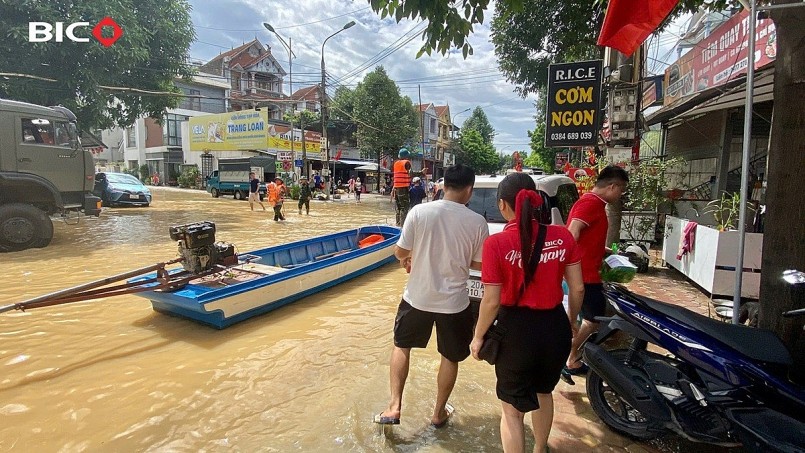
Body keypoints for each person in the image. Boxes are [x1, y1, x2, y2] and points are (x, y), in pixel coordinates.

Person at [470, 172, 584, 453]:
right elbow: (578, 289)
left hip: (516, 333)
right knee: (544, 392)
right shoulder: (563, 236)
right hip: (554, 327)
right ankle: (540, 448)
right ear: (534, 202)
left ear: (502, 205)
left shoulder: (496, 244)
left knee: (511, 411)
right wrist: (570, 323)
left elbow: (491, 301)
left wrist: (477, 337)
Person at [374, 164, 489, 428]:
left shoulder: (419, 212)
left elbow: (399, 252)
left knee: (402, 346)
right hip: (454, 304)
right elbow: (481, 266)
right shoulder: (477, 222)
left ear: (443, 185)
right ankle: (438, 413)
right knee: (450, 357)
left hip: (416, 298)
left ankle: (394, 407)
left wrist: (411, 258)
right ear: (469, 189)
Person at [564, 165, 629, 379]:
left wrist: (606, 251)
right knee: (591, 321)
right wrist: (571, 270)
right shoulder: (590, 203)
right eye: (621, 190)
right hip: (584, 275)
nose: (620, 195)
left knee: (590, 320)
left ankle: (569, 357)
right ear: (612, 186)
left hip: (588, 272)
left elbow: (585, 239)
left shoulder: (594, 204)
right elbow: (572, 234)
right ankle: (569, 358)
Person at [393, 148, 413, 227]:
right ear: (406, 156)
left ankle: (397, 225)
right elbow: (411, 174)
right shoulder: (407, 163)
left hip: (396, 189)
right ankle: (402, 227)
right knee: (404, 208)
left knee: (398, 208)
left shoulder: (396, 163)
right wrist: (422, 172)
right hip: (403, 189)